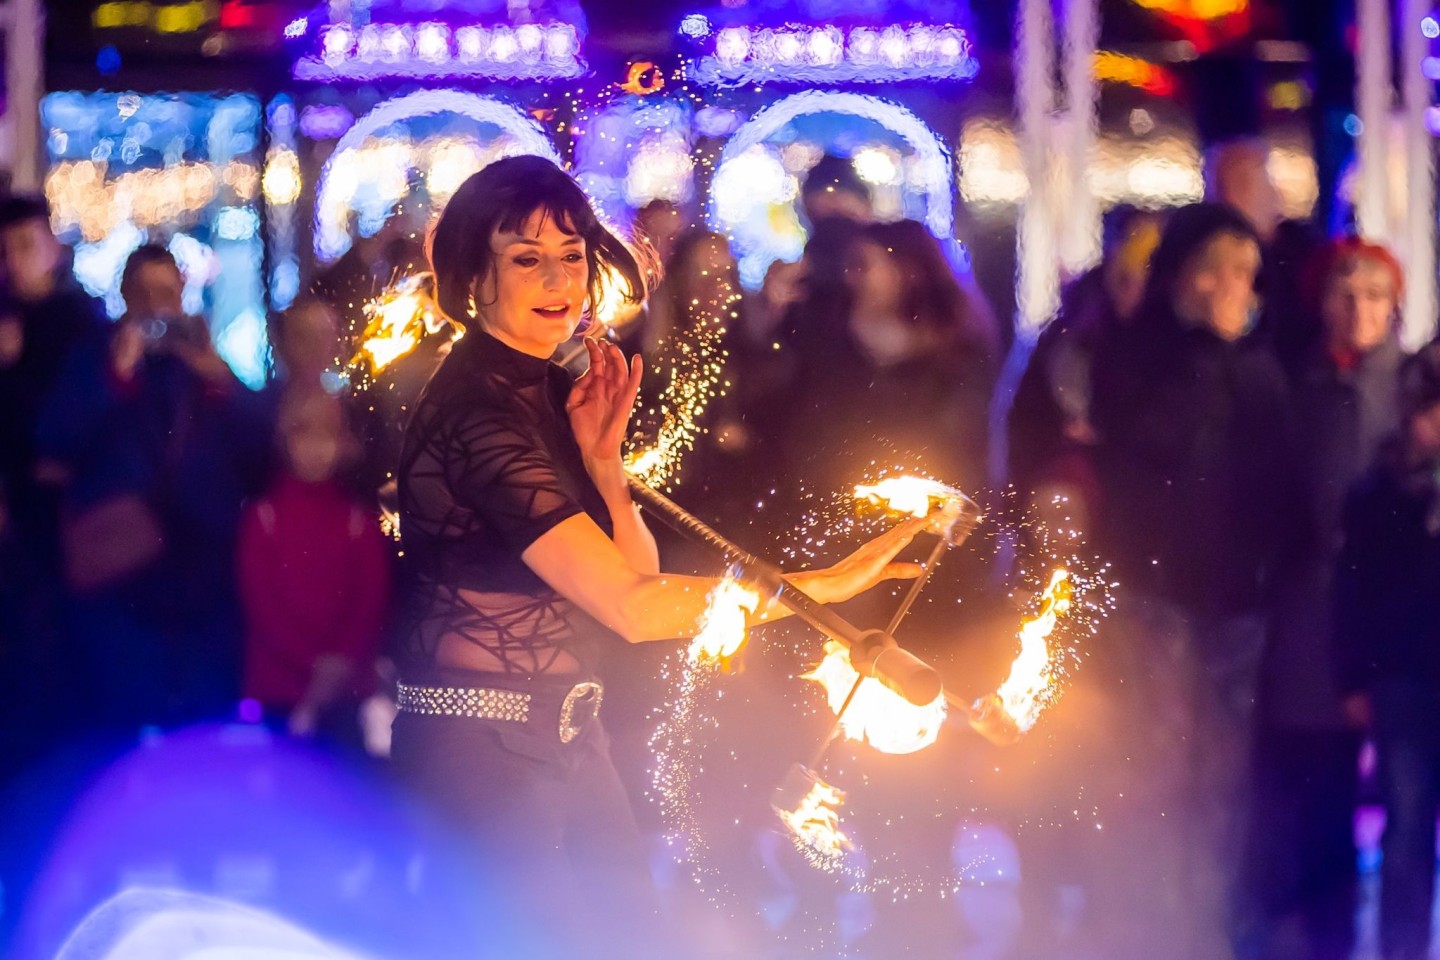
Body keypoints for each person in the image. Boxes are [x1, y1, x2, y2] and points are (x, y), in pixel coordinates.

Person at [388, 155, 927, 955]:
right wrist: (818, 589)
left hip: (572, 732)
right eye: (526, 258)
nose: (558, 279)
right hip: (481, 751)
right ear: (476, 274)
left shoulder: (543, 389)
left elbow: (633, 571)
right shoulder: (479, 414)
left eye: (570, 254)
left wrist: (604, 466)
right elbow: (635, 610)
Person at [1092, 202, 1301, 960]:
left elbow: (1282, 481)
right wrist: (1207, 350)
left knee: (1220, 782)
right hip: (1159, 599)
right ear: (1180, 276)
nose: (1230, 288)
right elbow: (1150, 445)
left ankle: (1208, 928)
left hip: (1235, 604)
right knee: (1154, 774)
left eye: (1244, 272)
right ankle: (1152, 929)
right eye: (1214, 269)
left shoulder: (1262, 367)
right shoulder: (1142, 355)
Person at [1242, 237, 1407, 960]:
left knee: (1406, 796)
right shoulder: (1293, 387)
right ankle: (1317, 936)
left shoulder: (1413, 389)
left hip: (1400, 620)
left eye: (1374, 294)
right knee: (1313, 788)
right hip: (1309, 614)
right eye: (1346, 293)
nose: (1359, 309)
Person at [36, 244, 271, 729]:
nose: (156, 305)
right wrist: (114, 377)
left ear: (184, 295)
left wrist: (218, 377)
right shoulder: (95, 357)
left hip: (204, 572)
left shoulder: (203, 362)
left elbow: (264, 446)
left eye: (166, 292)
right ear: (123, 297)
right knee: (126, 718)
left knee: (206, 719)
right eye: (142, 293)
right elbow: (54, 440)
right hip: (122, 573)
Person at [1335, 343, 1440, 960]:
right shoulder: (1379, 492)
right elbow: (1355, 587)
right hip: (1403, 676)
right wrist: (1354, 677)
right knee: (1404, 832)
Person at [237, 385, 390, 747]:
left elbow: (369, 603)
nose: (316, 448)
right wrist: (315, 665)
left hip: (345, 692)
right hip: (277, 689)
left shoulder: (356, 521)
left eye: (328, 436)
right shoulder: (264, 518)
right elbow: (262, 606)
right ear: (284, 439)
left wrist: (336, 666)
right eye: (303, 433)